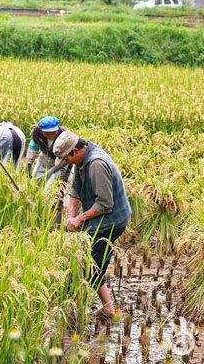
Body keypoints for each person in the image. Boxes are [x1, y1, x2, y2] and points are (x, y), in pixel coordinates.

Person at [53, 131, 132, 321]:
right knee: (88, 263)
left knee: (90, 265)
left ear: (76, 151)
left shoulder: (96, 164)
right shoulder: (81, 161)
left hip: (111, 221)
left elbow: (105, 204)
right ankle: (105, 309)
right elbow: (76, 190)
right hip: (100, 216)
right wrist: (71, 216)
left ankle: (105, 311)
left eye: (67, 159)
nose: (67, 163)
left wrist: (80, 220)